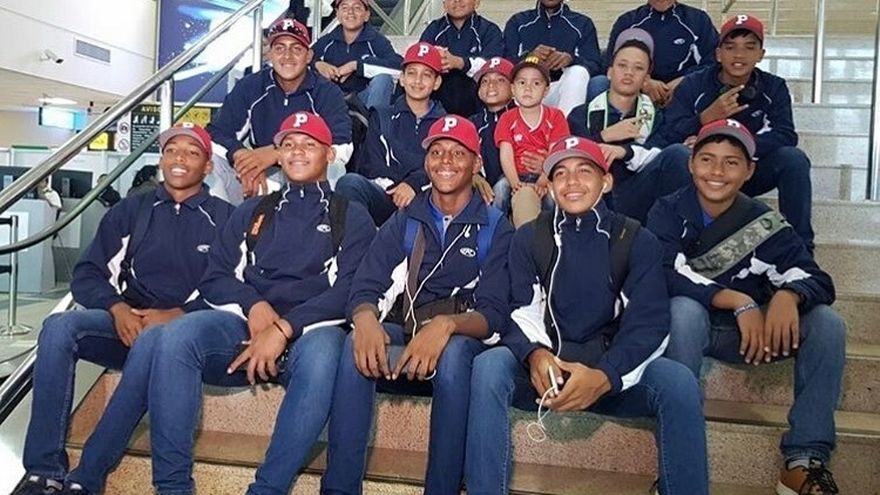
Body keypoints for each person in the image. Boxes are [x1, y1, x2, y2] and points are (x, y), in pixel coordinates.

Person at [125, 113, 375, 495]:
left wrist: (284, 328)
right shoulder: (254, 210)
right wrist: (254, 306)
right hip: (246, 323)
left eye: (308, 144)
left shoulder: (351, 214)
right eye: (288, 145)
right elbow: (215, 276)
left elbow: (349, 291)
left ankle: (266, 490)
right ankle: (172, 487)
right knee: (175, 338)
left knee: (326, 353)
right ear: (279, 154)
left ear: (329, 154)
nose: (297, 152)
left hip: (311, 328)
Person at [465, 135, 709, 495]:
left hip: (610, 371)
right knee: (489, 366)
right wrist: (535, 354)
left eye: (584, 171)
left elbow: (649, 322)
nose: (572, 182)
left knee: (678, 382)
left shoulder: (635, 238)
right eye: (561, 173)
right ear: (550, 186)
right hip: (546, 372)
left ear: (606, 181)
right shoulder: (529, 237)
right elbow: (517, 309)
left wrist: (605, 375)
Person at [11, 123, 233, 495]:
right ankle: (43, 471)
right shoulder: (132, 210)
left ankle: (88, 476)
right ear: (162, 159)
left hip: (183, 334)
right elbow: (87, 273)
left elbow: (231, 286)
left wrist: (179, 314)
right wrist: (117, 308)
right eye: (171, 151)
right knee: (59, 327)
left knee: (155, 342)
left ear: (208, 166)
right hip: (127, 324)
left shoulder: (225, 218)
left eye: (192, 152)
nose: (179, 159)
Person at [647, 119, 844, 495]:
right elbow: (661, 273)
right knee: (681, 311)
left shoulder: (765, 222)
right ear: (691, 163)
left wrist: (789, 295)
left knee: (827, 323)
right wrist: (738, 300)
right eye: (707, 159)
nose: (717, 171)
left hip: (757, 336)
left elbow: (816, 278)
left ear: (750, 170)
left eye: (731, 162)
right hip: (694, 328)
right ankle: (680, 463)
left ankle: (803, 461)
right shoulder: (668, 210)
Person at [321, 115, 514, 495]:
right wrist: (365, 319)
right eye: (437, 152)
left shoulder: (495, 227)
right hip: (408, 326)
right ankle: (339, 489)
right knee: (355, 343)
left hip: (461, 336)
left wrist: (446, 325)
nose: (446, 161)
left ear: (477, 163)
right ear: (425, 161)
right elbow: (367, 283)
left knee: (455, 356)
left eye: (458, 153)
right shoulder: (406, 218)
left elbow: (494, 314)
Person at [657, 14, 815, 251]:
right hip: (703, 175)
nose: (739, 55)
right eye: (730, 47)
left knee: (794, 159)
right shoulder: (694, 84)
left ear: (761, 54)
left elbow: (785, 134)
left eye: (749, 47)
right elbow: (669, 133)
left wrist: (737, 148)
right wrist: (706, 118)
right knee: (678, 155)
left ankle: (800, 249)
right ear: (718, 54)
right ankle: (679, 244)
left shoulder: (774, 87)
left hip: (749, 172)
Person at [207, 18, 353, 204]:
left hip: (303, 173)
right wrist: (242, 157)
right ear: (270, 53)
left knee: (334, 167)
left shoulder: (326, 91)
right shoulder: (251, 85)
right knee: (207, 163)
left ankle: (319, 221)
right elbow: (215, 133)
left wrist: (278, 153)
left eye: (296, 49)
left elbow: (342, 146)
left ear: (309, 56)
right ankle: (220, 222)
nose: (287, 56)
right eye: (279, 48)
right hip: (259, 178)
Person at [567, 28, 690, 222]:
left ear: (646, 79)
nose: (629, 73)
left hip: (635, 196)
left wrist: (624, 151)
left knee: (678, 154)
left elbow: (660, 154)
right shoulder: (581, 114)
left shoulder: (658, 117)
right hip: (592, 195)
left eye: (638, 68)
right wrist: (604, 136)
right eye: (622, 65)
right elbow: (570, 157)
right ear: (609, 72)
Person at [335, 42, 446, 226]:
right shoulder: (381, 115)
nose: (417, 81)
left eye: (426, 75)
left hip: (429, 198)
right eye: (412, 73)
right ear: (402, 78)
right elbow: (372, 165)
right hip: (389, 195)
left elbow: (444, 167)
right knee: (350, 183)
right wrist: (397, 189)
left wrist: (413, 184)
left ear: (437, 82)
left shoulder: (446, 124)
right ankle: (360, 241)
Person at [587, 0, 719, 105]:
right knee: (599, 84)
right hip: (637, 88)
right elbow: (610, 65)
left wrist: (683, 81)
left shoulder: (698, 20)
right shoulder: (627, 22)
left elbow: (713, 62)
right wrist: (644, 82)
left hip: (685, 90)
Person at [495, 59, 569, 227]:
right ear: (513, 89)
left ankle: (554, 233)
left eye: (536, 83)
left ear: (546, 90)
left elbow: (556, 153)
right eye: (522, 82)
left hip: (545, 175)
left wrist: (542, 181)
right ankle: (497, 230)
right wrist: (515, 184)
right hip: (515, 175)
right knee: (500, 190)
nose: (528, 88)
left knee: (552, 198)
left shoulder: (555, 117)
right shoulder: (507, 118)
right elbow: (506, 155)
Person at [503, 0, 602, 116]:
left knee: (578, 72)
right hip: (526, 89)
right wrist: (529, 58)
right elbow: (503, 65)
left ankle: (565, 126)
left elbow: (595, 65)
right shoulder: (518, 22)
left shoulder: (582, 24)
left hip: (561, 90)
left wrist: (571, 59)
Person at [312, 0, 402, 110]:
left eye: (357, 7)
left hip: (364, 99)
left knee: (383, 79)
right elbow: (304, 58)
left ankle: (375, 120)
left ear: (367, 15)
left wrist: (356, 66)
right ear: (338, 14)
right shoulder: (327, 41)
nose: (350, 12)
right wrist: (318, 64)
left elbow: (398, 66)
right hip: (331, 97)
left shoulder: (376, 40)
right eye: (345, 8)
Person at [420, 0, 503, 117]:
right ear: (444, 4)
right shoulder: (433, 29)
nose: (457, 1)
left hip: (477, 107)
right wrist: (437, 61)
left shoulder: (489, 30)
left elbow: (493, 65)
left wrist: (460, 63)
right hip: (437, 106)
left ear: (477, 2)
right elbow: (420, 61)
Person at [469, 56, 516, 191]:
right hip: (484, 193)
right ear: (479, 91)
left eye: (500, 80)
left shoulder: (525, 116)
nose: (491, 85)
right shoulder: (471, 123)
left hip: (521, 186)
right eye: (485, 81)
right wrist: (473, 175)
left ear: (513, 88)